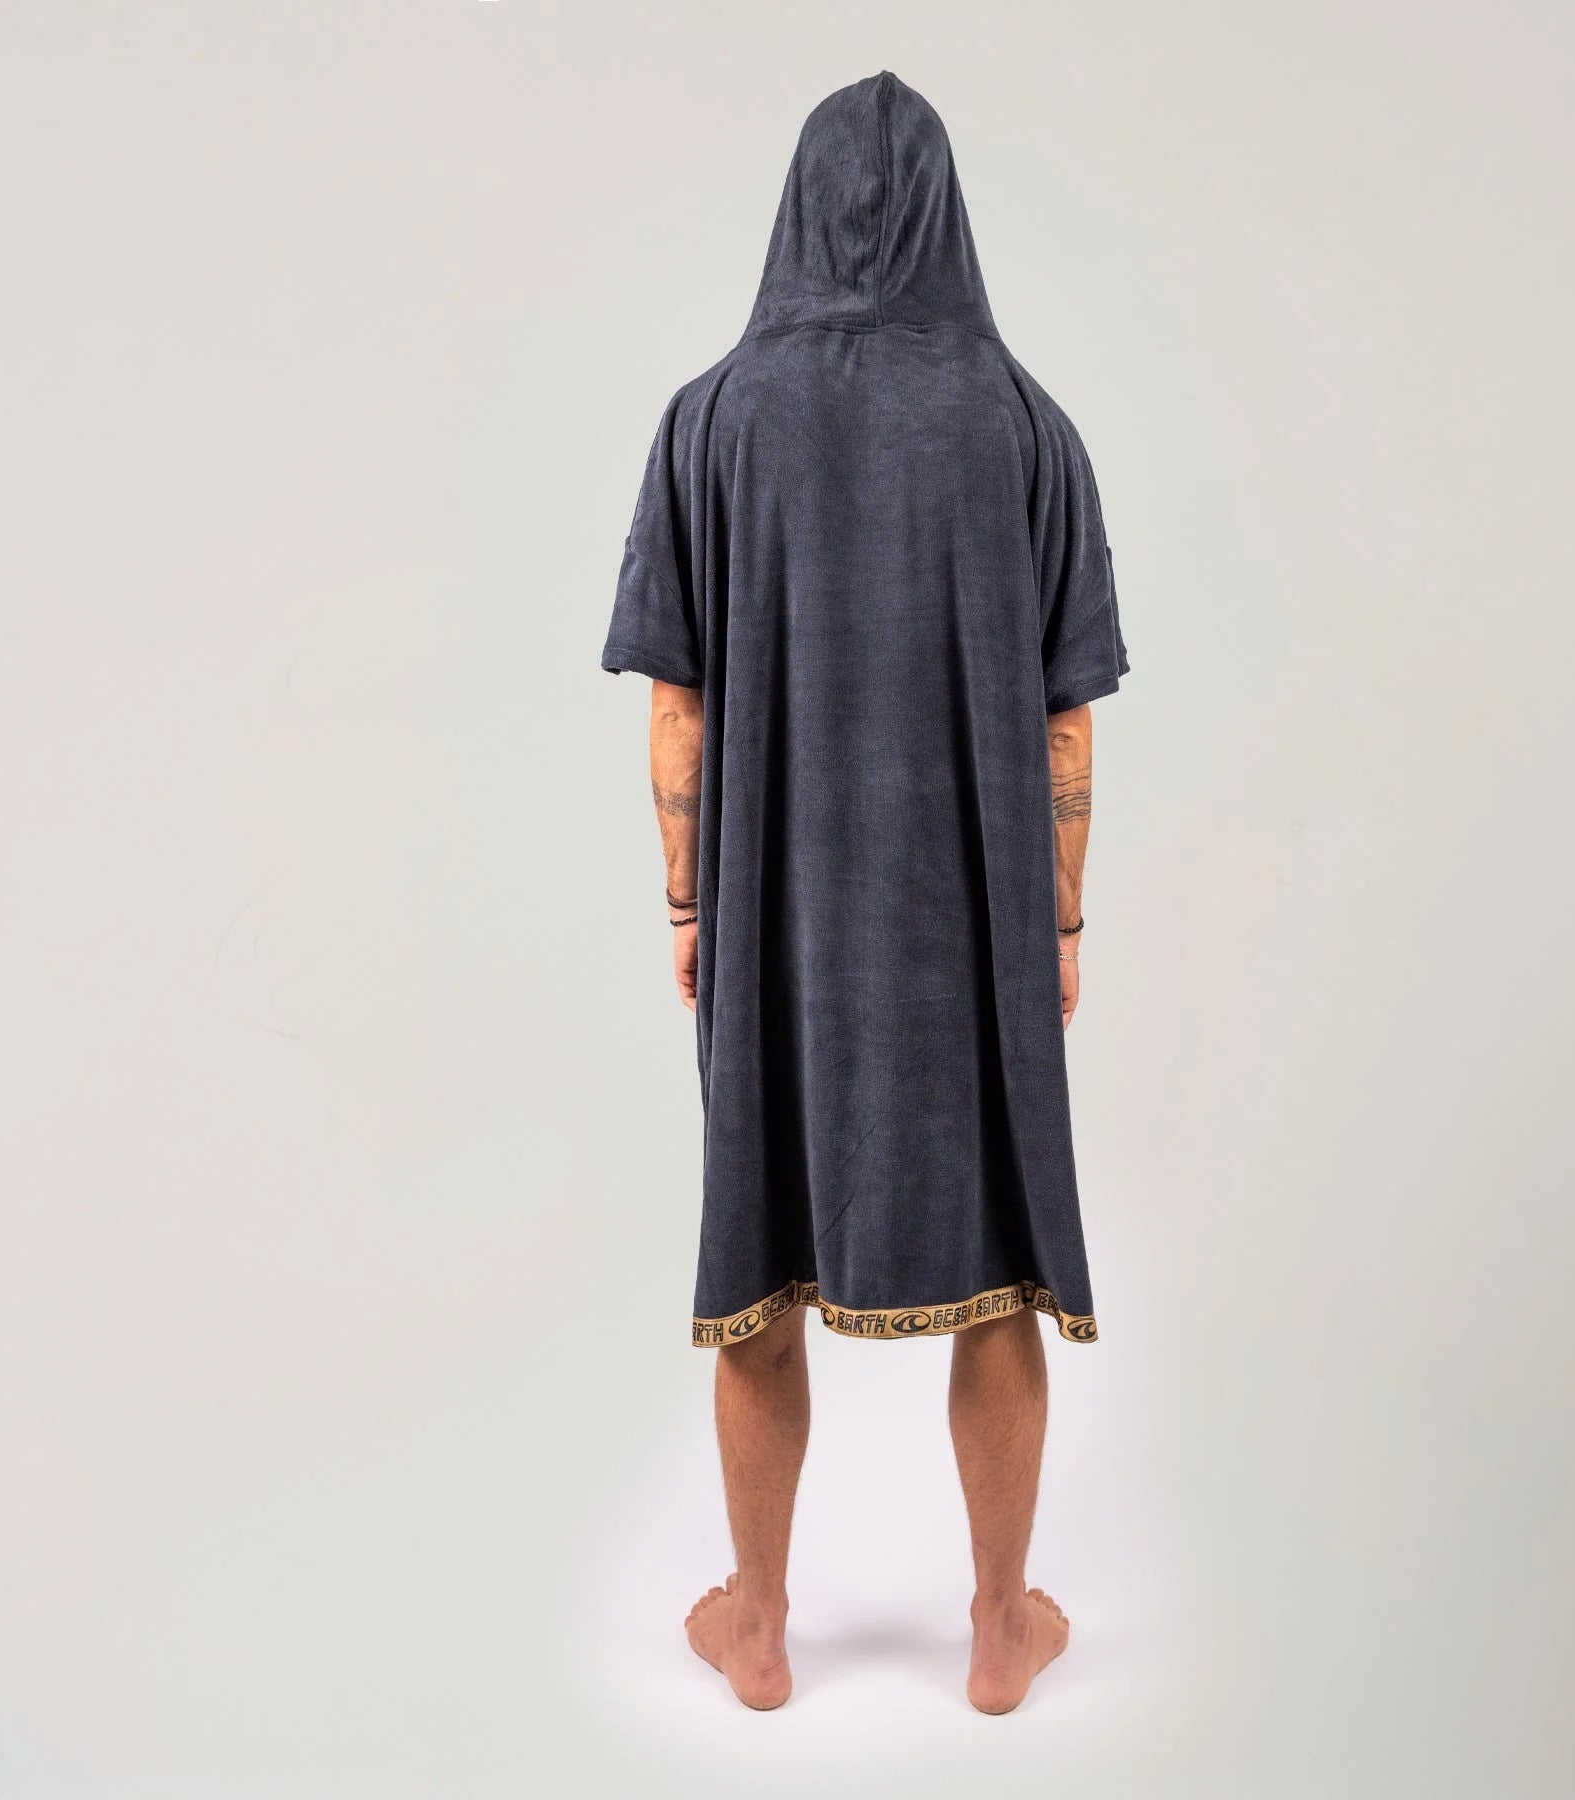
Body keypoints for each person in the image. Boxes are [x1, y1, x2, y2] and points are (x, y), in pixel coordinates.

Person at [602, 71, 1128, 1714]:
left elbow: (677, 709)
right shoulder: (1028, 426)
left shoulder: (710, 421)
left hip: (777, 924)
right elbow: (1068, 721)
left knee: (756, 1251)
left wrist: (690, 904)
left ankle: (758, 1625)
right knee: (1002, 1267)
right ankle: (1000, 1626)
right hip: (975, 931)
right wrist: (1058, 925)